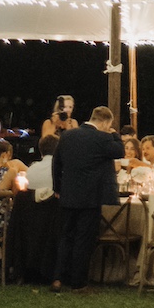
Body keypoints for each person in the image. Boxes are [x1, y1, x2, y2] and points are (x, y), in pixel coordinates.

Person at [51, 106, 125, 293]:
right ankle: (78, 282)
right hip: (90, 196)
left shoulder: (67, 136)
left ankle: (58, 278)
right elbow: (119, 151)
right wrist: (114, 134)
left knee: (66, 237)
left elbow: (56, 163)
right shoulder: (102, 138)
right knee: (83, 239)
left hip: (68, 194)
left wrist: (57, 188)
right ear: (105, 122)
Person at [23, 135, 61, 202]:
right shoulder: (61, 170)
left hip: (31, 210)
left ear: (41, 151)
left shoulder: (30, 169)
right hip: (56, 210)